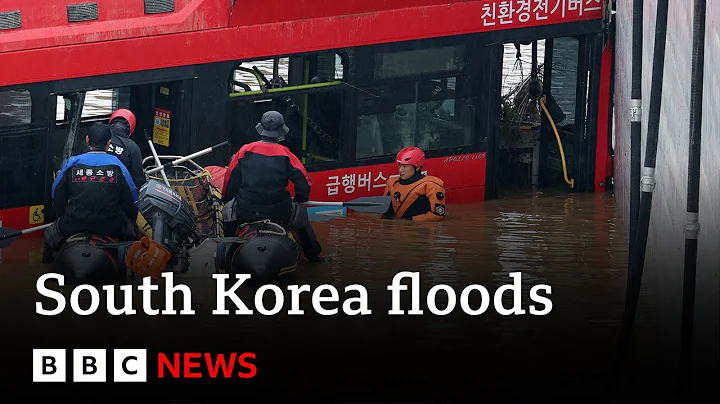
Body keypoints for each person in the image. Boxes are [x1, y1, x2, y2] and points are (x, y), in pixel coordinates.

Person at [222, 111, 329, 263]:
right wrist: (300, 199)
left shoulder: (244, 151)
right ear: (280, 133)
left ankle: (229, 254)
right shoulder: (286, 154)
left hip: (246, 210)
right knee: (302, 217)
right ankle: (314, 256)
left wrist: (228, 200)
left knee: (226, 213)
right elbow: (304, 183)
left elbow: (230, 180)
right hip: (279, 211)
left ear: (261, 129)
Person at [43, 123, 140, 255]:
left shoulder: (72, 162)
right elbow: (133, 199)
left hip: (74, 224)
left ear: (88, 140)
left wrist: (63, 216)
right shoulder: (118, 165)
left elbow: (56, 194)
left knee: (49, 238)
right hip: (111, 226)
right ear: (108, 143)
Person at [79, 108, 146, 189]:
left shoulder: (90, 141)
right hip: (115, 194)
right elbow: (138, 180)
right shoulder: (132, 147)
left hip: (84, 189)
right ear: (108, 143)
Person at [381, 146, 447, 222]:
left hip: (420, 229)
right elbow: (385, 212)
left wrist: (409, 221)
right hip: (399, 229)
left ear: (417, 167)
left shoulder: (431, 185)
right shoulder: (392, 183)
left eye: (405, 166)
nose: (401, 170)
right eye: (399, 166)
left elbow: (437, 215)